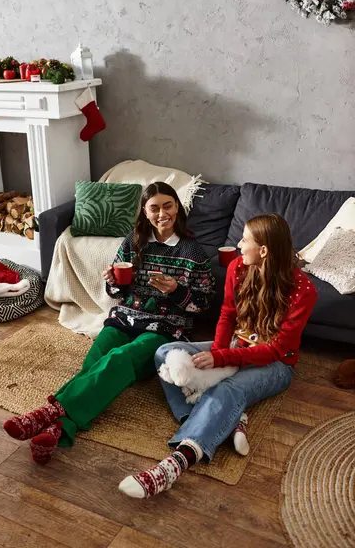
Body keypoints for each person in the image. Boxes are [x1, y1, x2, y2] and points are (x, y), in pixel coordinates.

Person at [3, 182, 215, 464]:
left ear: (177, 208)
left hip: (166, 328)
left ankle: (48, 412)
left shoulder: (194, 253)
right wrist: (113, 283)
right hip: (125, 318)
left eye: (168, 205)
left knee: (118, 358)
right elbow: (117, 294)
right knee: (93, 362)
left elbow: (203, 305)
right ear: (145, 211)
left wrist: (176, 290)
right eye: (154, 207)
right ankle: (59, 428)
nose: (162, 213)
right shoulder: (133, 241)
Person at [119, 213, 318, 499]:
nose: (238, 245)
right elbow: (227, 315)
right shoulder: (238, 268)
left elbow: (277, 348)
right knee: (165, 353)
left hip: (276, 363)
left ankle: (176, 464)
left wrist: (222, 361)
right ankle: (224, 416)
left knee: (229, 387)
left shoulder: (303, 290)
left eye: (244, 240)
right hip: (236, 346)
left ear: (263, 251)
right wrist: (217, 354)